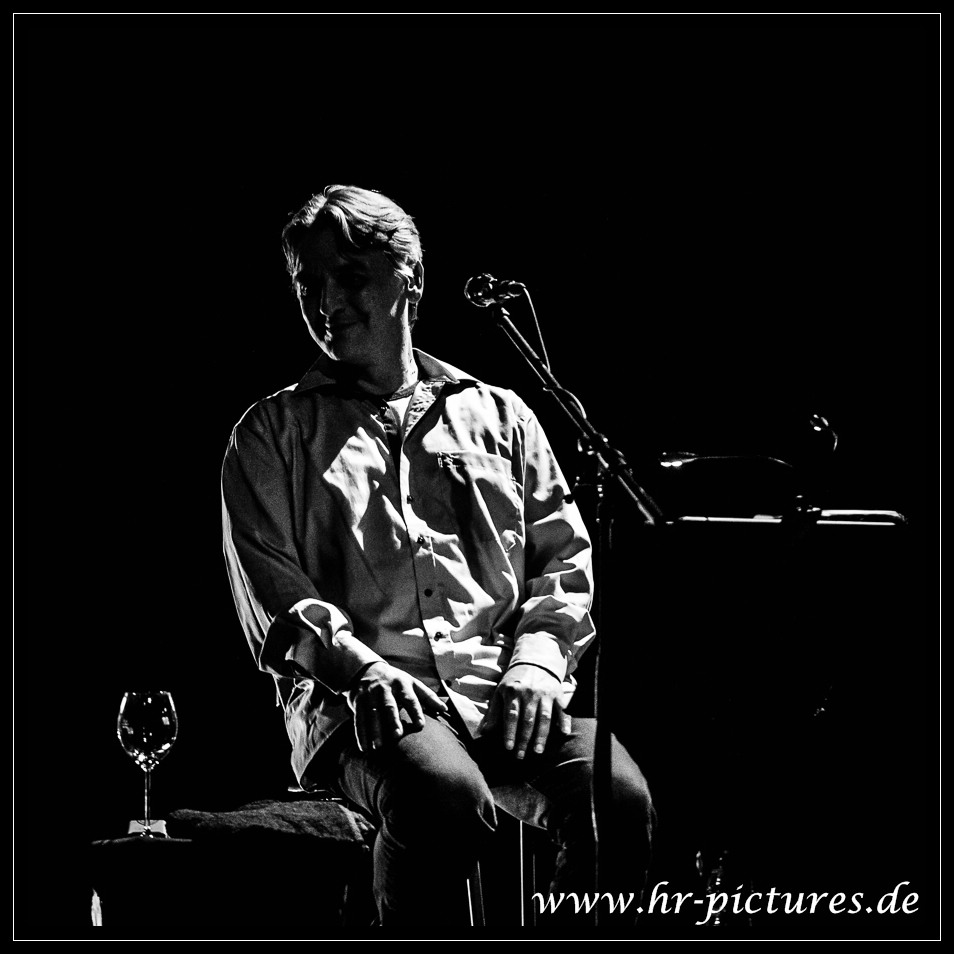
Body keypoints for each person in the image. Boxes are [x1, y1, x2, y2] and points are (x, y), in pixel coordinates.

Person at [221, 184, 655, 928]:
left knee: (616, 796)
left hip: (499, 694)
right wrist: (363, 670)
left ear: (411, 278)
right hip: (363, 707)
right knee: (445, 794)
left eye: (350, 276)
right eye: (308, 283)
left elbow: (563, 560)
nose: (326, 301)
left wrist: (536, 664)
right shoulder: (271, 432)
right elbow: (276, 596)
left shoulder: (502, 415)